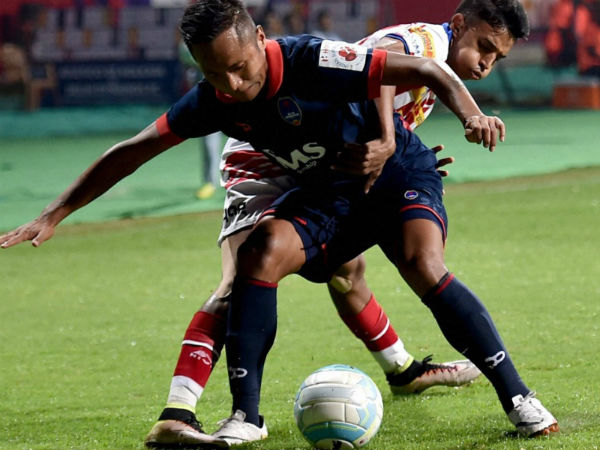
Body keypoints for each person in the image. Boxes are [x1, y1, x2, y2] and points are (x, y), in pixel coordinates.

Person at [0, 0, 558, 447]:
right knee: (261, 255)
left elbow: (416, 68)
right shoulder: (214, 99)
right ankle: (247, 416)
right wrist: (55, 214)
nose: (231, 83)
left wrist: (464, 118)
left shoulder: (312, 58)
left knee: (420, 262)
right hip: (326, 185)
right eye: (213, 73)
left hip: (395, 170)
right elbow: (135, 149)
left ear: (261, 39)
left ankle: (519, 399)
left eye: (239, 67)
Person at [144, 5, 527, 447]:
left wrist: (401, 153)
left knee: (347, 269)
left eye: (497, 57)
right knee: (241, 280)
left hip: (324, 157)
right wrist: (388, 139)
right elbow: (383, 57)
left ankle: (402, 370)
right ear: (458, 25)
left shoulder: (437, 57)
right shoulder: (430, 42)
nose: (486, 63)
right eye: (483, 46)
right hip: (264, 159)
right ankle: (178, 411)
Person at [178, 38, 223, 199]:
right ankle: (210, 182)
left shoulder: (221, 37)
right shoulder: (188, 44)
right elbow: (186, 53)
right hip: (209, 100)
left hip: (233, 94)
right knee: (209, 141)